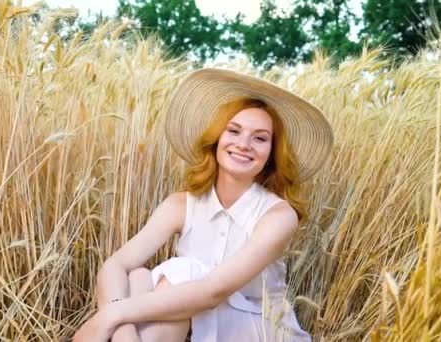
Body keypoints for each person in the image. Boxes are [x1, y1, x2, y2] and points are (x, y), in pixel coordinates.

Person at [73, 68, 334, 342]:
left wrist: (110, 317)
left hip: (261, 329)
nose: (243, 144)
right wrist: (123, 328)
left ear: (271, 155)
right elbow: (115, 265)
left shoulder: (278, 215)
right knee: (138, 277)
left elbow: (212, 292)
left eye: (260, 138)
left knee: (183, 271)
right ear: (216, 140)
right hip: (197, 321)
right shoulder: (181, 204)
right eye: (233, 131)